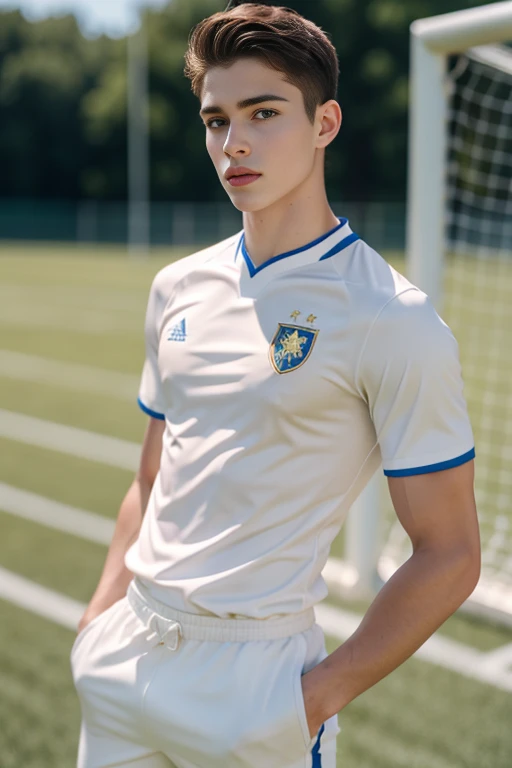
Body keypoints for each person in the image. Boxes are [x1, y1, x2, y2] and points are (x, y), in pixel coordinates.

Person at [71, 3, 481, 767]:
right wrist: (100, 615)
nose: (235, 144)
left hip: (255, 685)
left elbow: (450, 552)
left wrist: (315, 697)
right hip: (126, 656)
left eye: (264, 113)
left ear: (324, 123)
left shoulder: (392, 317)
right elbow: (152, 476)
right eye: (216, 119)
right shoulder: (177, 287)